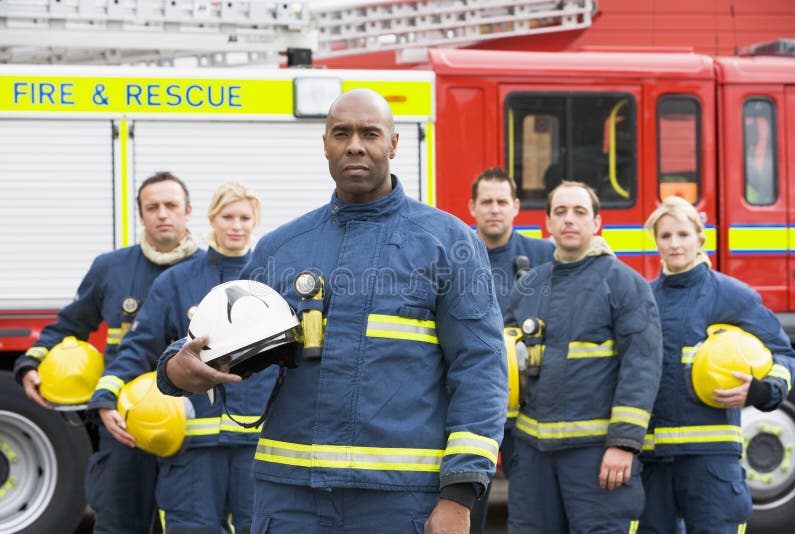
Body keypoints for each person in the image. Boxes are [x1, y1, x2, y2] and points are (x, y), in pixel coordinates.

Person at [157, 88, 508, 534]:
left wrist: (459, 495)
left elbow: (480, 369)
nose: (355, 144)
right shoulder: (282, 249)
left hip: (401, 502)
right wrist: (176, 368)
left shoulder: (448, 244)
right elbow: (216, 333)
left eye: (370, 133)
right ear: (325, 144)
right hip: (290, 501)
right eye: (341, 133)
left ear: (394, 144)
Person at [13, 171, 198, 534]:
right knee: (118, 524)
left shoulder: (210, 268)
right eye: (152, 207)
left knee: (194, 525)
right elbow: (69, 325)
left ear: (188, 211)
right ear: (141, 215)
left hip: (193, 424)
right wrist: (29, 362)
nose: (163, 214)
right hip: (122, 422)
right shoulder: (111, 269)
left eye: (171, 205)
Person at [87, 181, 269, 533]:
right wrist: (106, 394)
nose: (236, 225)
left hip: (255, 447)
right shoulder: (175, 281)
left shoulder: (271, 280)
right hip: (194, 449)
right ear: (210, 219)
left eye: (245, 217)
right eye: (227, 216)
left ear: (255, 222)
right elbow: (140, 346)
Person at [505, 180, 663, 533]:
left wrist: (623, 444)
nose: (569, 220)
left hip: (596, 456)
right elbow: (502, 362)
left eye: (579, 212)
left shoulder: (624, 283)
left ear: (597, 223)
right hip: (533, 457)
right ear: (547, 223)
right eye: (560, 212)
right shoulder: (528, 287)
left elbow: (642, 366)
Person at [638, 195, 795, 533]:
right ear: (656, 242)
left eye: (683, 234)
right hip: (654, 465)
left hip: (710, 463)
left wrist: (761, 391)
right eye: (665, 236)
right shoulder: (644, 299)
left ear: (700, 238)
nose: (675, 244)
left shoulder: (732, 295)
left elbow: (784, 354)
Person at [467, 167, 554, 533]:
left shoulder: (545, 256)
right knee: (466, 496)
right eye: (486, 201)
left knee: (531, 507)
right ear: (471, 207)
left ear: (516, 206)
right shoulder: (455, 256)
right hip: (471, 401)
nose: (494, 209)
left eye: (502, 201)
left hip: (532, 405)